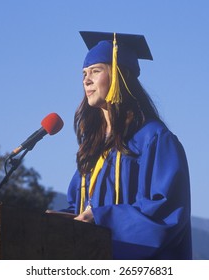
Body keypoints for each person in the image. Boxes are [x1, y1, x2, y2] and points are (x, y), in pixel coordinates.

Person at [64, 31, 192, 260]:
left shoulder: (154, 139)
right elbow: (79, 207)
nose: (86, 80)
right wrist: (57, 220)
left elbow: (165, 213)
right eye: (84, 73)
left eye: (95, 71)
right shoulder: (93, 150)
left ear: (119, 76)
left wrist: (101, 217)